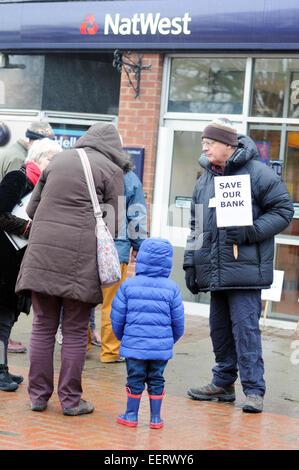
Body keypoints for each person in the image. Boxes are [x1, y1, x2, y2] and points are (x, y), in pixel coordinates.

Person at [184, 118, 294, 413]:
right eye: (203, 143)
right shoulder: (205, 178)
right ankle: (222, 384)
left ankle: (254, 390)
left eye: (210, 143)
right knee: (218, 329)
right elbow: (195, 224)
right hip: (214, 269)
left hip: (245, 271)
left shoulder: (257, 172)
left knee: (245, 330)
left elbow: (284, 209)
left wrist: (251, 231)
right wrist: (190, 263)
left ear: (228, 145)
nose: (204, 148)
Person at [15, 123, 125, 416]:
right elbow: (116, 223)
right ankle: (71, 401)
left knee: (42, 326)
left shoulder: (60, 159)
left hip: (41, 255)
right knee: (75, 330)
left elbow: (30, 210)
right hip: (81, 259)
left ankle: (37, 397)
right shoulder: (113, 171)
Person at [0, 137, 62, 391]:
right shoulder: (18, 178)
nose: (53, 165)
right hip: (3, 260)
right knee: (3, 317)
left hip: (19, 262)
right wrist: (28, 228)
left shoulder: (44, 188)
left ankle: (2, 368)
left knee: (10, 316)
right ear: (37, 158)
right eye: (50, 159)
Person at [110, 237, 184, 428]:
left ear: (141, 257)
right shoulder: (172, 289)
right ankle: (156, 418)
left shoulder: (128, 285)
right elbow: (179, 323)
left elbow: (117, 318)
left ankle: (131, 415)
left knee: (134, 378)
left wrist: (122, 338)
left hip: (134, 347)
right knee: (157, 378)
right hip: (160, 348)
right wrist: (168, 341)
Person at [99, 154, 147, 363]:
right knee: (112, 304)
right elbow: (137, 216)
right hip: (115, 251)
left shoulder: (91, 172)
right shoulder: (129, 178)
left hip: (85, 246)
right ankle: (110, 351)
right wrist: (138, 245)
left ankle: (79, 345)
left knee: (81, 300)